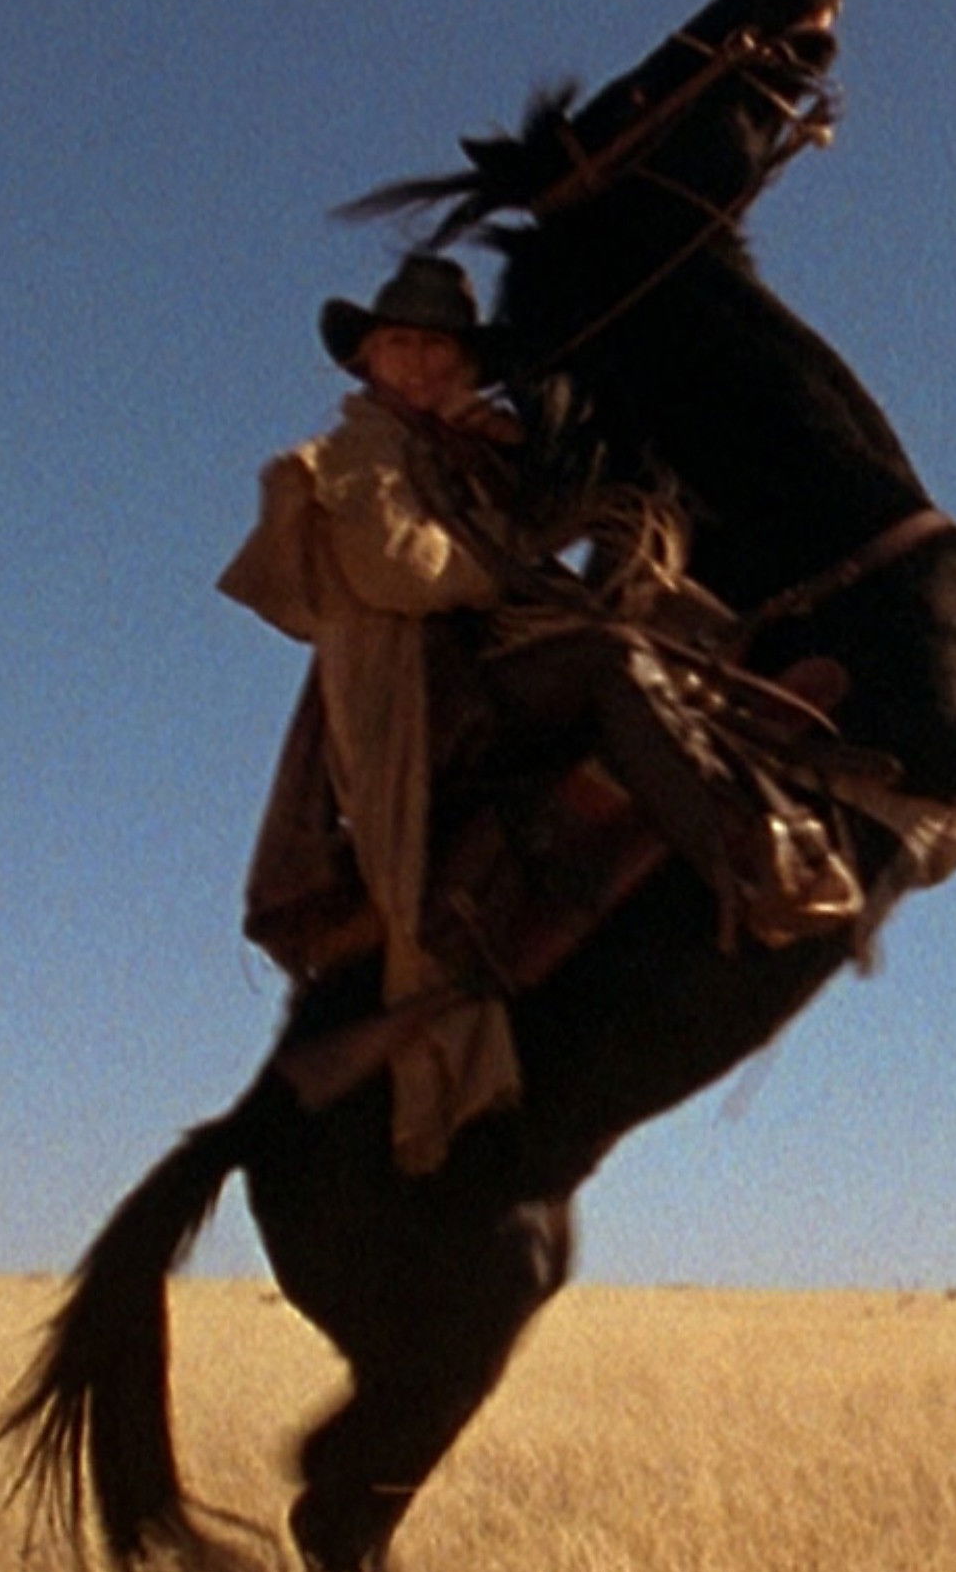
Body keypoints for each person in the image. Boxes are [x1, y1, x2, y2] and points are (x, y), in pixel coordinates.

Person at [217, 254, 861, 1168]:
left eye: (441, 350)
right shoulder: (356, 456)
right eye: (402, 346)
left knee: (691, 629)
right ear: (367, 359)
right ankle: (750, 867)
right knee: (608, 660)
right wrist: (520, 557)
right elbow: (400, 569)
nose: (422, 366)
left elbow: (555, 516)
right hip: (430, 701)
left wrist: (532, 464)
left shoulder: (467, 450)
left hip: (492, 665)